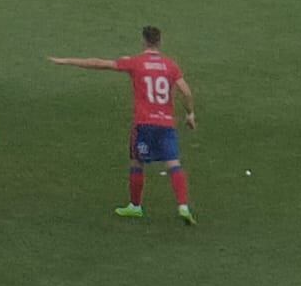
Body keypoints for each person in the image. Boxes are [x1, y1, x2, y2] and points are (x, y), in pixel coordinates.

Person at [48, 26, 197, 227]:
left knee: (137, 162)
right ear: (160, 42)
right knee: (173, 164)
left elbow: (99, 64)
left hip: (144, 123)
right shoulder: (170, 65)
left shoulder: (136, 63)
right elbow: (186, 92)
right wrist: (190, 114)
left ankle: (135, 206)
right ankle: (183, 206)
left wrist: (66, 61)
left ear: (143, 42)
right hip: (166, 123)